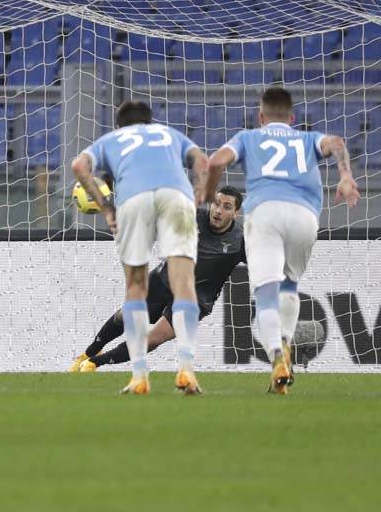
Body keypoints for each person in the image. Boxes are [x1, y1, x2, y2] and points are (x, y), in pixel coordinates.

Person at [205, 86, 359, 394]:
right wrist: (345, 175)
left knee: (266, 291)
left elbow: (215, 162)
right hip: (304, 216)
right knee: (289, 285)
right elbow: (337, 143)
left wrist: (208, 194)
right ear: (292, 118)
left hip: (264, 213)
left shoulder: (248, 137)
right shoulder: (307, 139)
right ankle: (285, 347)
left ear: (260, 116)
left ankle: (277, 354)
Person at [71, 100, 208, 395]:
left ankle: (139, 376)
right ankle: (186, 368)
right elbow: (201, 160)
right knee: (184, 284)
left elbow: (78, 166)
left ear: (119, 126)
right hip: (177, 197)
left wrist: (106, 207)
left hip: (133, 200)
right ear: (150, 122)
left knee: (136, 287)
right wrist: (198, 193)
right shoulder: (168, 134)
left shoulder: (113, 139)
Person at [70, 187, 244, 371]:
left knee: (152, 339)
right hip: (164, 280)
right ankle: (89, 353)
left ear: (236, 213)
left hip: (196, 298)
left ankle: (94, 363)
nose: (218, 210)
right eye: (216, 204)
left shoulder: (240, 241)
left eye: (227, 207)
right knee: (125, 316)